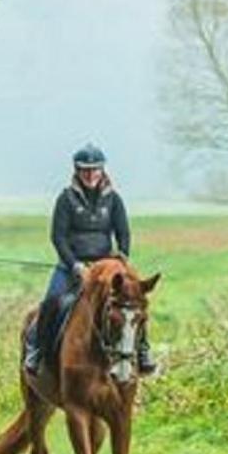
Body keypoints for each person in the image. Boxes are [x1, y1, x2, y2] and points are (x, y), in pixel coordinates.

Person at [24, 144, 155, 375]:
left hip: (106, 268)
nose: (91, 175)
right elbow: (58, 237)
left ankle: (143, 351)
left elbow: (123, 232)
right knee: (50, 303)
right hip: (71, 266)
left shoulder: (114, 199)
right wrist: (75, 265)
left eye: (95, 170)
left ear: (102, 170)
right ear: (77, 170)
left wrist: (122, 256)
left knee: (133, 303)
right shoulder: (65, 199)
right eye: (85, 170)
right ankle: (36, 351)